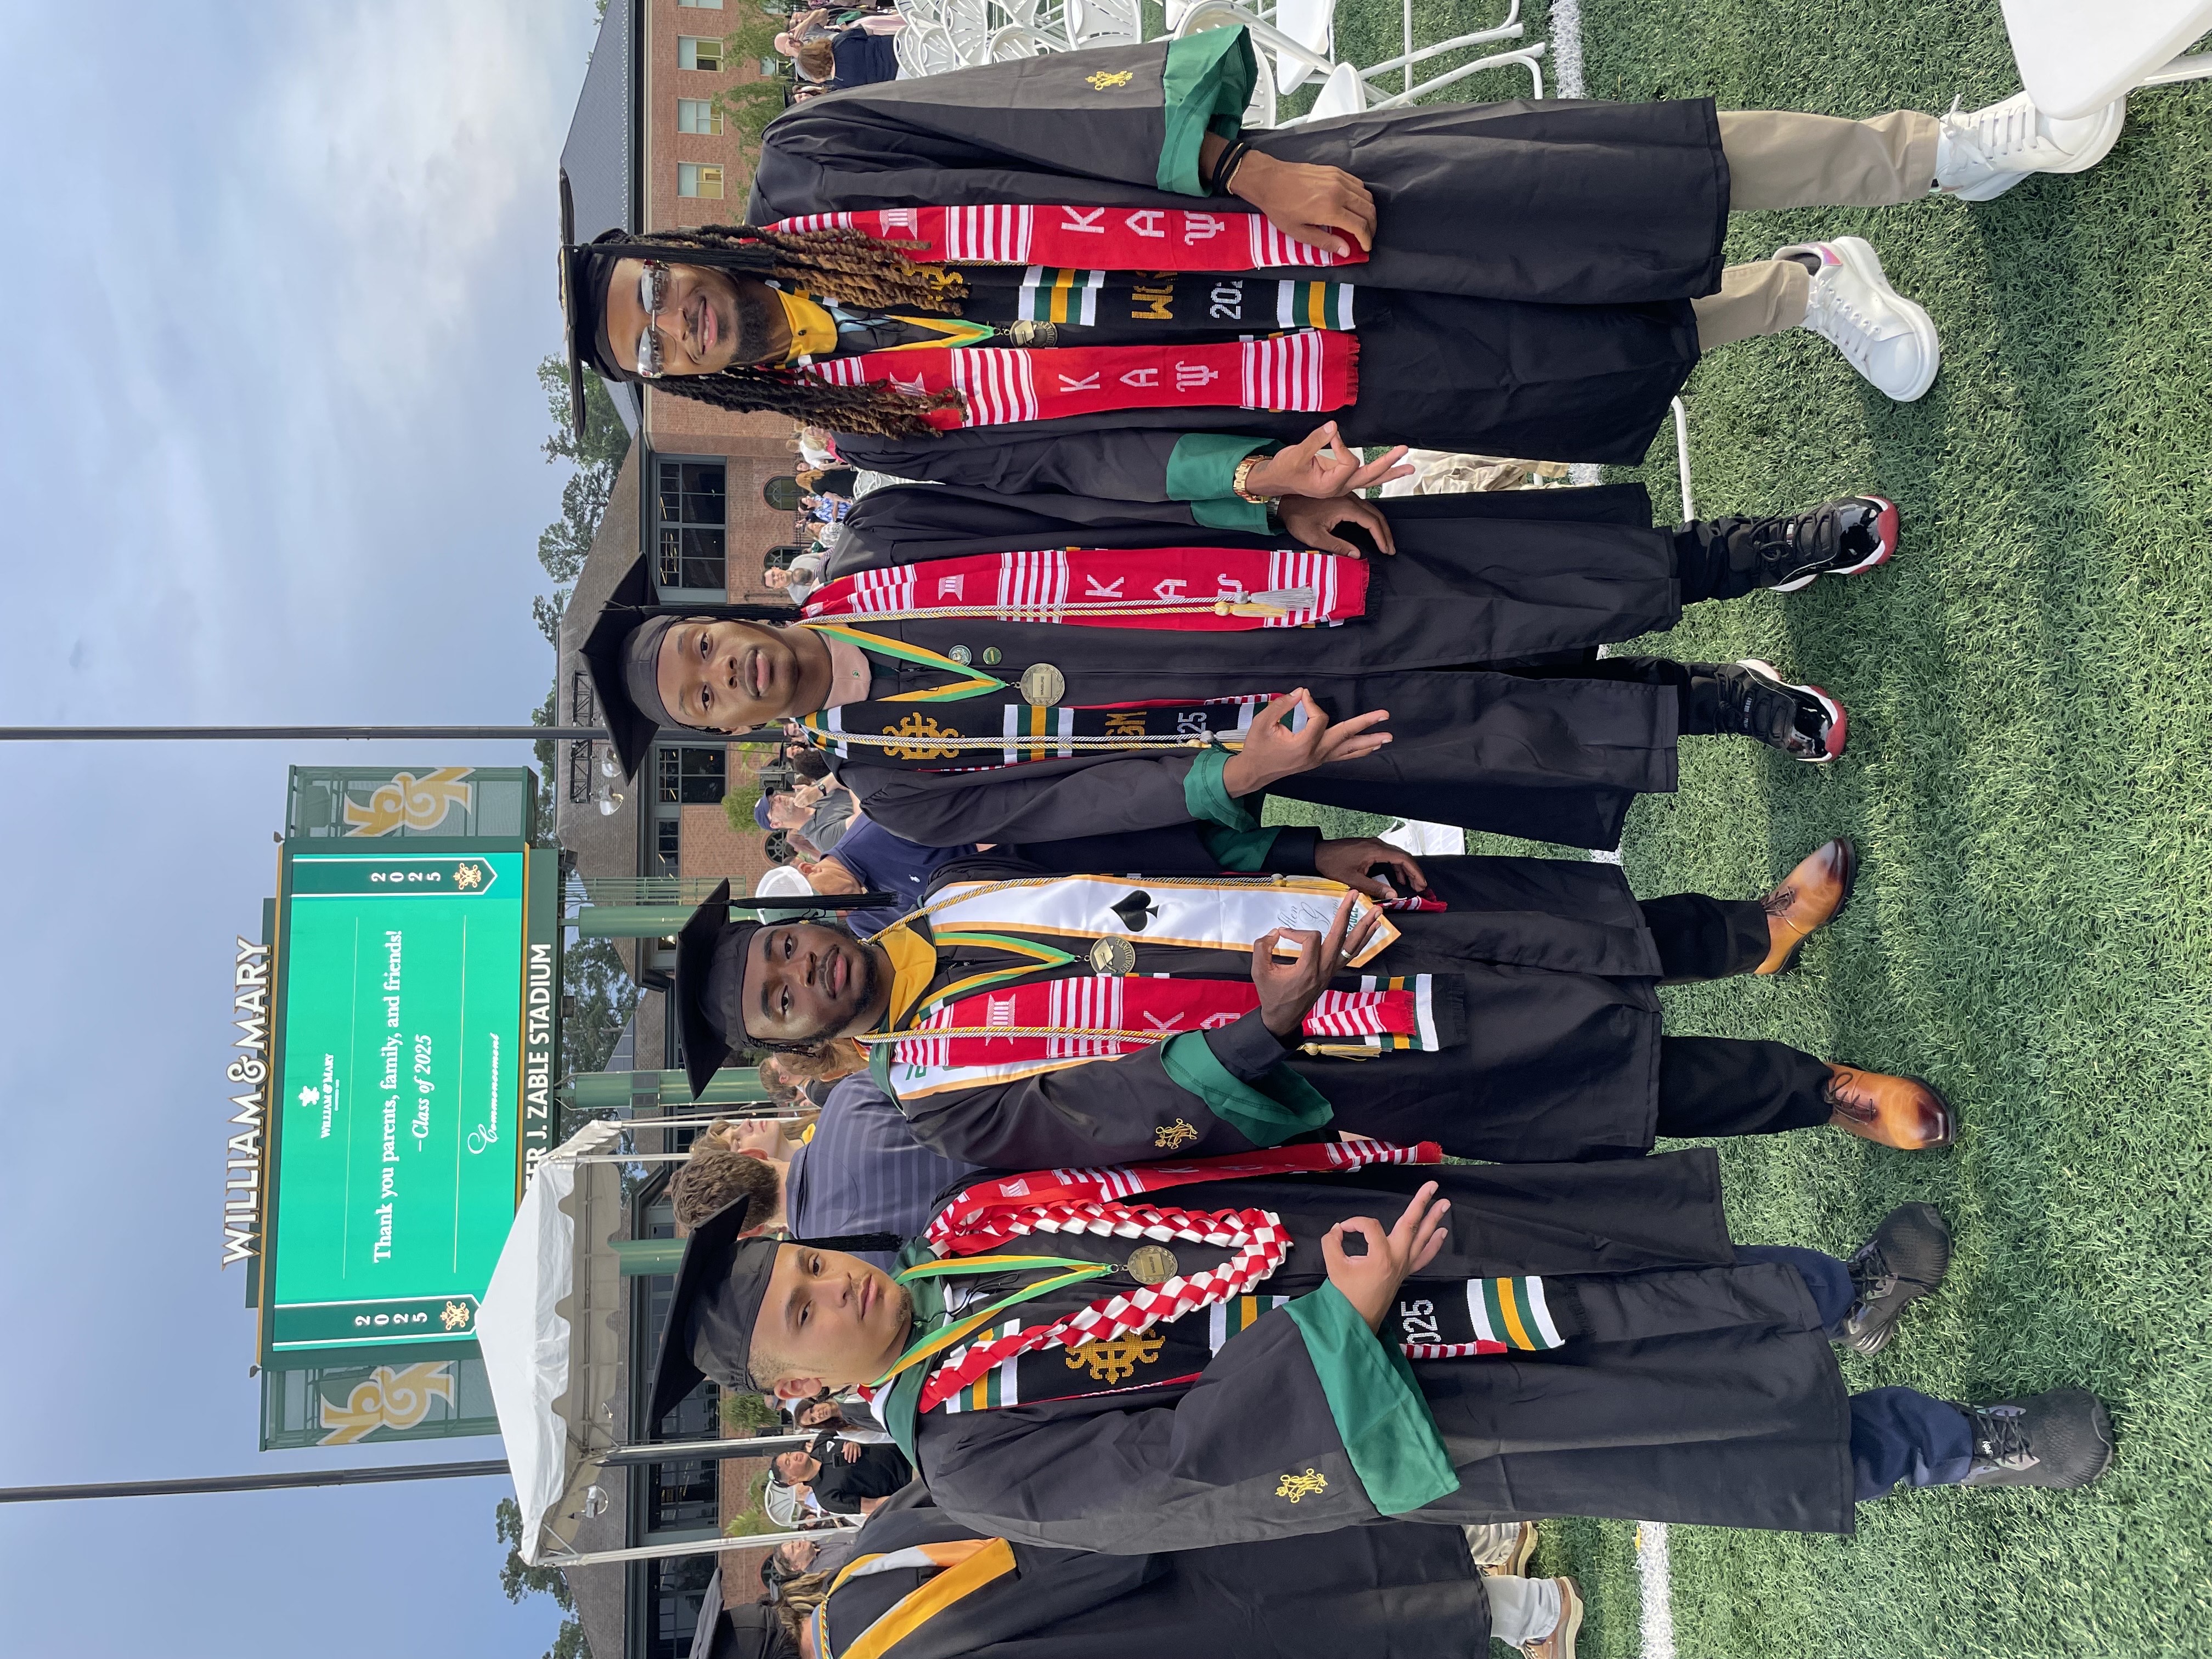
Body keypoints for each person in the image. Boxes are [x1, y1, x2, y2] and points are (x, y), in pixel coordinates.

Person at [555, 30, 2126, 478]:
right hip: (1281, 374)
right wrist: (1242, 479)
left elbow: (1023, 105)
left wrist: (1246, 161)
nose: (678, 317)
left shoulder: (811, 169)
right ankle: (1808, 292)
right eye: (655, 342)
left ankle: (1937, 151)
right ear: (677, 371)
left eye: (651, 285)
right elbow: (1061, 474)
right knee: (1564, 357)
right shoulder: (862, 422)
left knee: (1604, 189)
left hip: (1276, 212)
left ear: (657, 246)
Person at [647, 1156, 2114, 1564]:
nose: (831, 1284)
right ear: (804, 1388)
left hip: (1400, 1279)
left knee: (1658, 1288)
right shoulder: (965, 1453)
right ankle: (1964, 1445)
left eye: (806, 1263)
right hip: (1410, 1414)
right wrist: (1341, 1324)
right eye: (800, 1309)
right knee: (1696, 1430)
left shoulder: (973, 1244)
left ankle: (1840, 1297)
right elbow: (1171, 1471)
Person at [576, 478, 1883, 855]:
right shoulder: (898, 788)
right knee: (1518, 727)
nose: (726, 674)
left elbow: (1082, 496)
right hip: (1257, 718)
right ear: (733, 736)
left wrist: (1266, 509)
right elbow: (1070, 805)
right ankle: (1728, 702)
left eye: (703, 647)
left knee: (1535, 585)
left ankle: (1763, 550)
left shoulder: (890, 538)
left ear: (725, 611)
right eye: (703, 699)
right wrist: (1231, 779)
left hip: (1261, 590)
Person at [665, 831, 1955, 1170]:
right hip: (1329, 1051)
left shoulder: (954, 889)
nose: (800, 976)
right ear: (799, 1043)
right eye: (778, 1003)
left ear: (802, 921)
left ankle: (1757, 929)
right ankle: (1819, 1092)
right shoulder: (940, 1095)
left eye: (782, 955)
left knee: (1565, 930)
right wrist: (1263, 1029)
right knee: (1589, 1073)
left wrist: (1308, 850)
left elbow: (1142, 840)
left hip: (1312, 911)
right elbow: (1110, 1123)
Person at [771, 1487, 1582, 1658]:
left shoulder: (883, 1653)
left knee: (1331, 1622)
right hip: (1133, 1515)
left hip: (1150, 1623)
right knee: (1307, 1521)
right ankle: (1491, 1528)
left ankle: (1534, 1612)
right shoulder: (876, 1545)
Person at [671, 1073, 980, 1268]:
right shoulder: (850, 1099)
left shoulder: (843, 1275)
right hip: (1015, 1128)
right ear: (754, 1154)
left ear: (751, 1232)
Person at [771, 1432, 914, 1516]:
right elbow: (872, 1505)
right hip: (912, 1480)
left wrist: (852, 1440)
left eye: (789, 1454)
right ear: (792, 1481)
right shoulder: (827, 1498)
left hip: (908, 1445)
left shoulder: (822, 1440)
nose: (794, 1457)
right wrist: (913, 1495)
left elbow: (850, 1424)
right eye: (788, 1463)